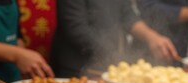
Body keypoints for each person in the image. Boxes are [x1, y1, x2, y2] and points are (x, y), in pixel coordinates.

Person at [50, 0, 179, 78]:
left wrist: (151, 36)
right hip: (77, 70)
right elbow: (76, 28)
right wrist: (116, 57)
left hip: (107, 67)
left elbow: (128, 16)